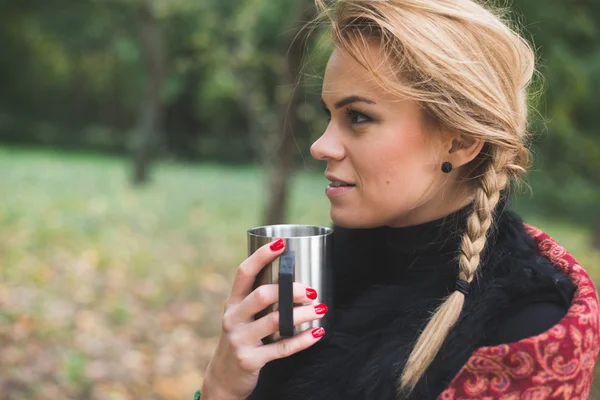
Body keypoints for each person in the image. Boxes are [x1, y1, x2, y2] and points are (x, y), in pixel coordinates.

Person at [199, 0, 600, 399]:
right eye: (329, 116)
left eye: (358, 117)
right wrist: (221, 386)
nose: (321, 146)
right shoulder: (317, 278)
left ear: (460, 141)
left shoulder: (526, 323)